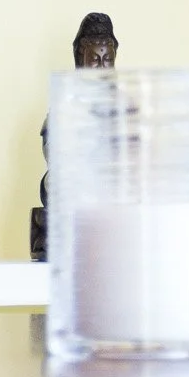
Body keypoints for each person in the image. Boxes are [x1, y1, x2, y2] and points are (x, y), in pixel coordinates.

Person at [32, 13, 117, 261]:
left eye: (106, 60)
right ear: (81, 60)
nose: (101, 67)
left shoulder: (121, 103)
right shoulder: (67, 102)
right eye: (95, 60)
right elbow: (52, 145)